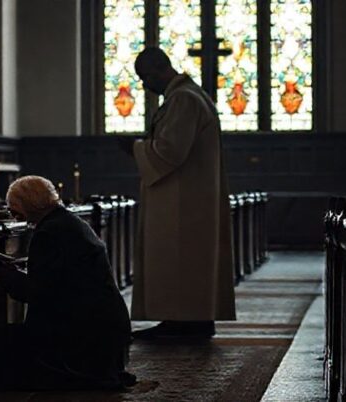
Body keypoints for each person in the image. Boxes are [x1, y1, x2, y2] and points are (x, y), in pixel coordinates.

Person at [127, 47, 236, 339]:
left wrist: (135, 148)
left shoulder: (184, 99)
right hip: (187, 196)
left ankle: (186, 322)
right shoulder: (186, 95)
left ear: (158, 70)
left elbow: (170, 151)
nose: (144, 85)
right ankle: (181, 319)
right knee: (183, 260)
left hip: (183, 201)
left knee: (181, 257)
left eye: (144, 77)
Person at [0, 175, 135, 391]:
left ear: (29, 204)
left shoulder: (48, 232)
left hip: (85, 335)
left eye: (14, 208)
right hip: (106, 328)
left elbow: (38, 293)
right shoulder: (68, 221)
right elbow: (58, 280)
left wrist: (5, 275)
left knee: (4, 341)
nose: (12, 215)